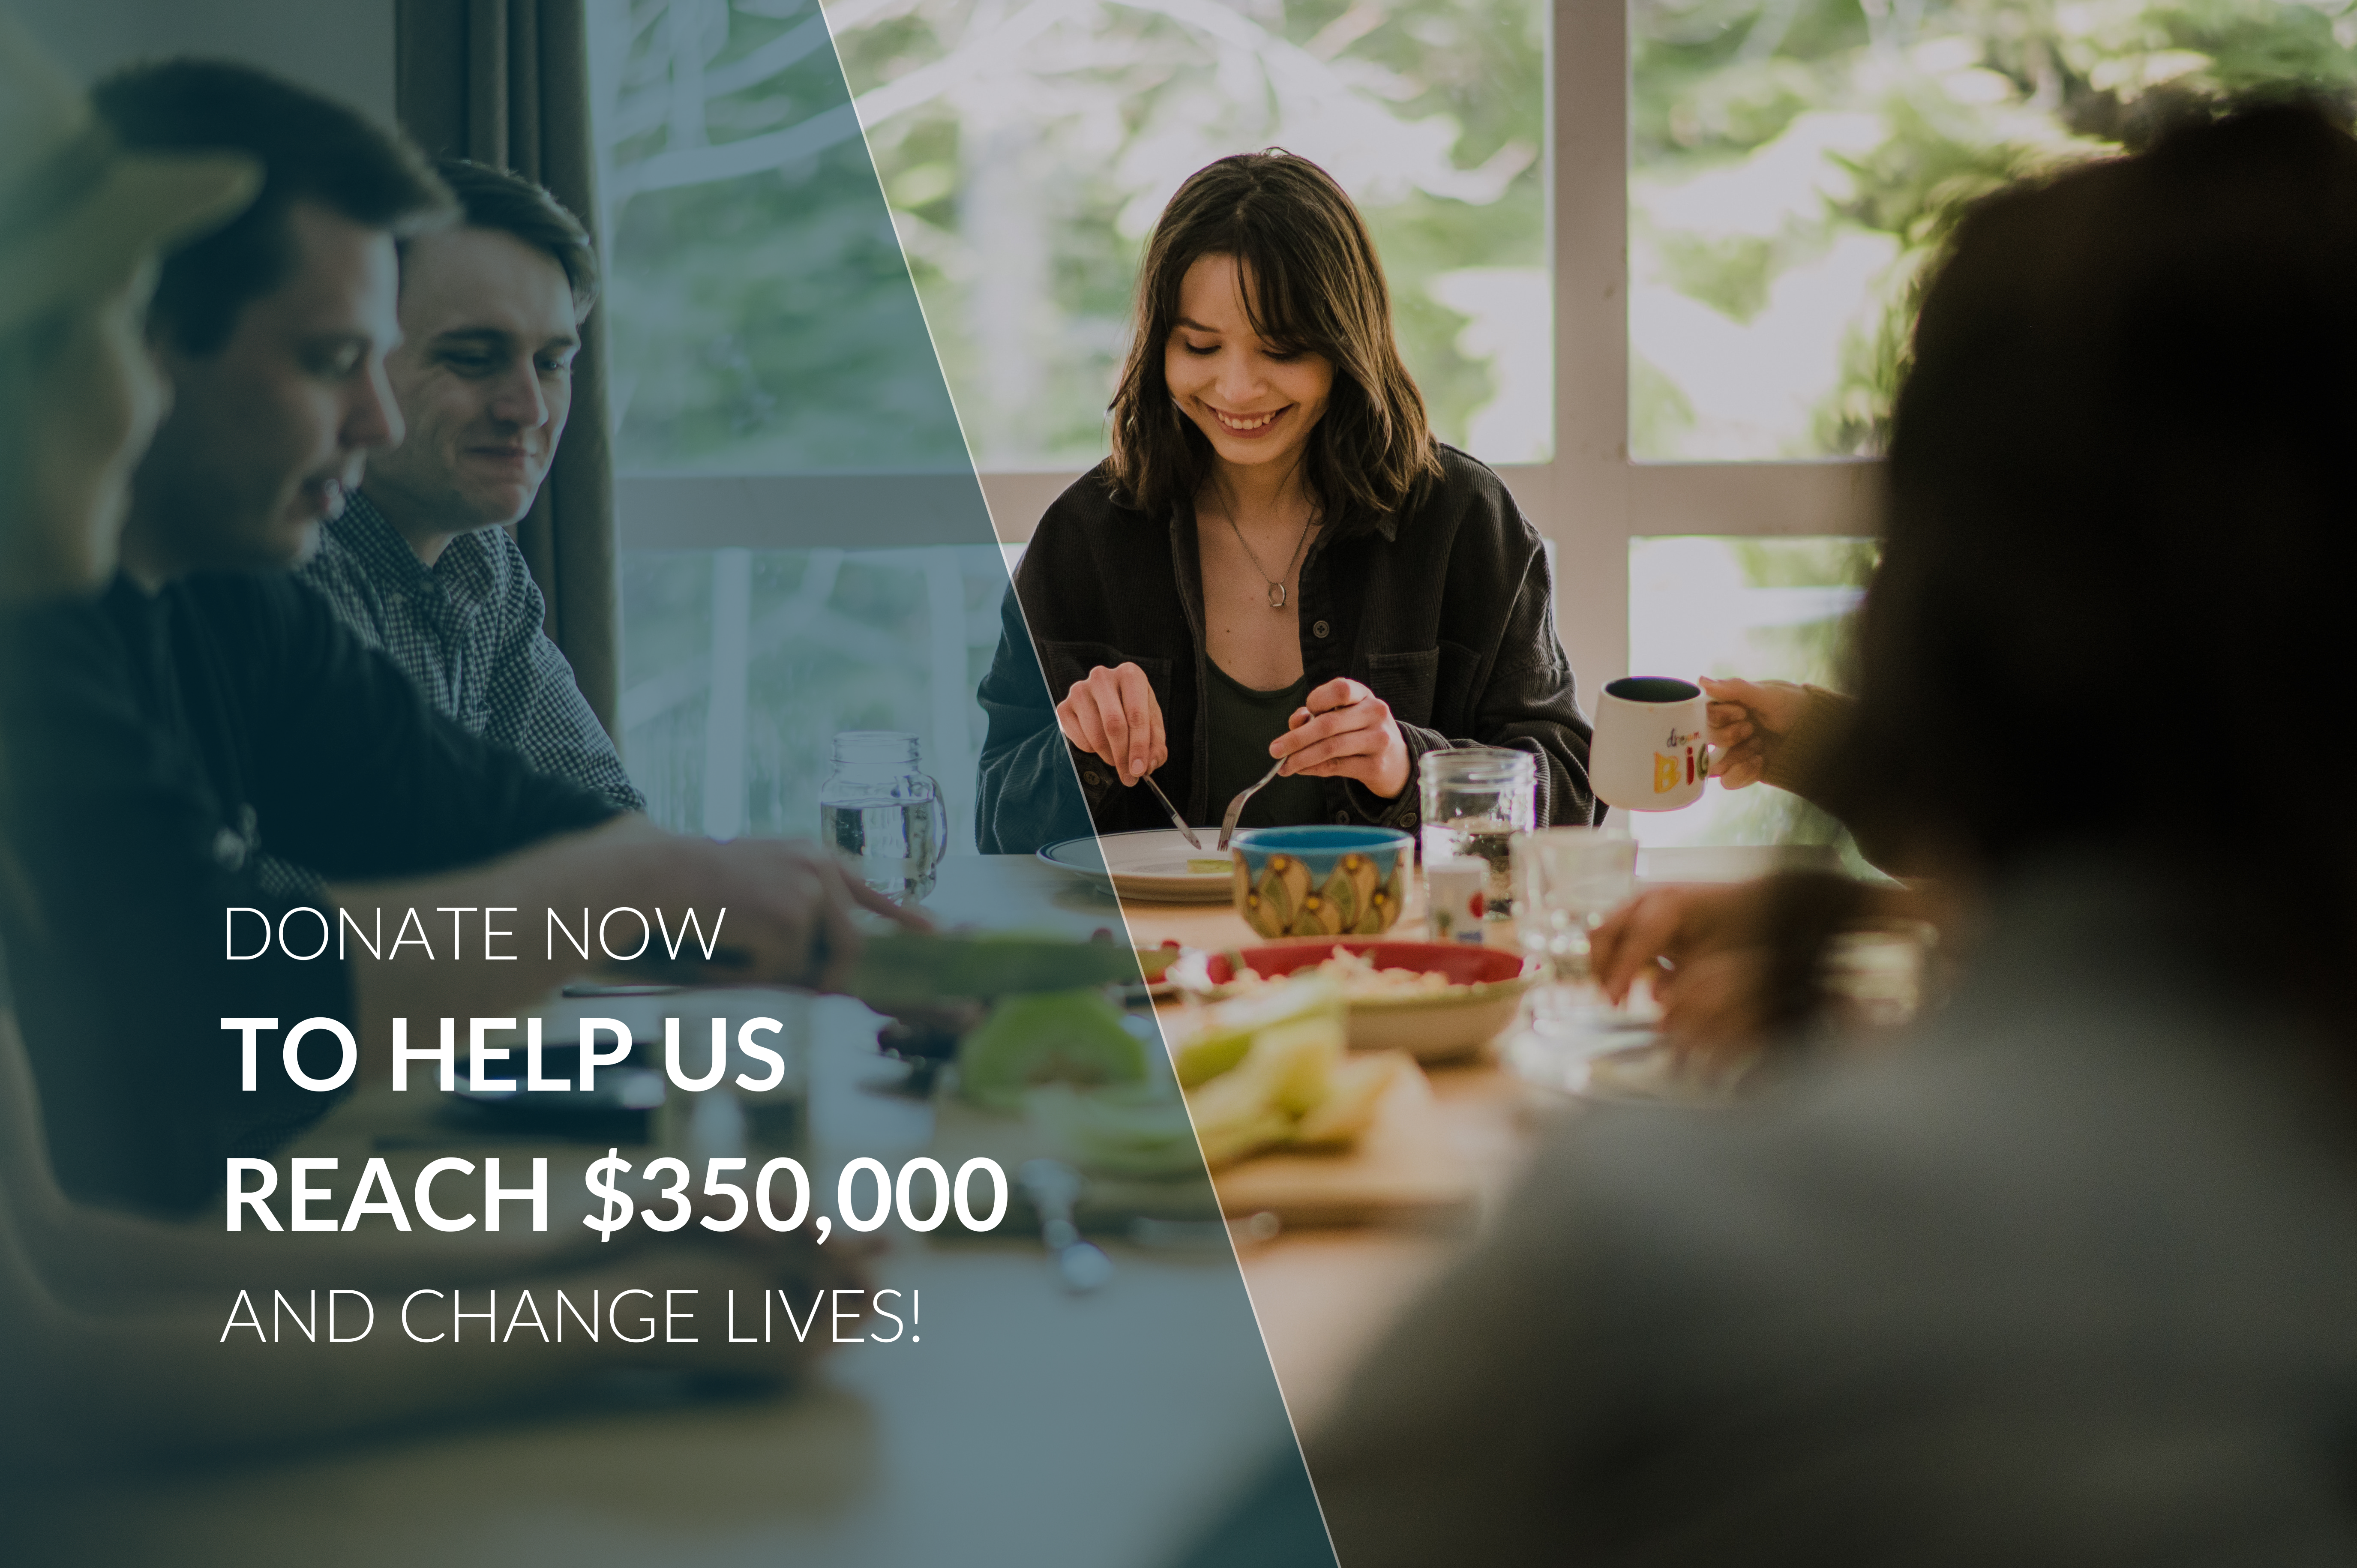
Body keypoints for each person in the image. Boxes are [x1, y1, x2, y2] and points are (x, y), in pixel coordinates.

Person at [1190, 100, 2357, 1562]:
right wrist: (1877, 916)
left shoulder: (1673, 1258)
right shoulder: (1100, 539)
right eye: (1200, 342)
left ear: (1929, 614)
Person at [0, 21, 852, 1472]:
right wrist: (627, 1306)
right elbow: (56, 1372)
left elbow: (80, 1261)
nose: (131, 388)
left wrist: (623, 1244)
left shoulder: (161, 606)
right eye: (104, 330)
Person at [974, 151, 1594, 854]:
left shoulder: (1464, 522)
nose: (1238, 390)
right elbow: (995, 827)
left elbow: (1573, 796)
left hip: (1391, 962)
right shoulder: (1083, 537)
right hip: (1149, 963)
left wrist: (1409, 769)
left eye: (1282, 350)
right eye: (1201, 346)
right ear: (1159, 348)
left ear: (1346, 346)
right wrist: (1077, 752)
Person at [296, 157, 642, 812]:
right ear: (354, 359)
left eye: (551, 364)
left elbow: (607, 818)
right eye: (473, 359)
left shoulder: (486, 563)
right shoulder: (287, 569)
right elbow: (337, 896)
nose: (529, 409)